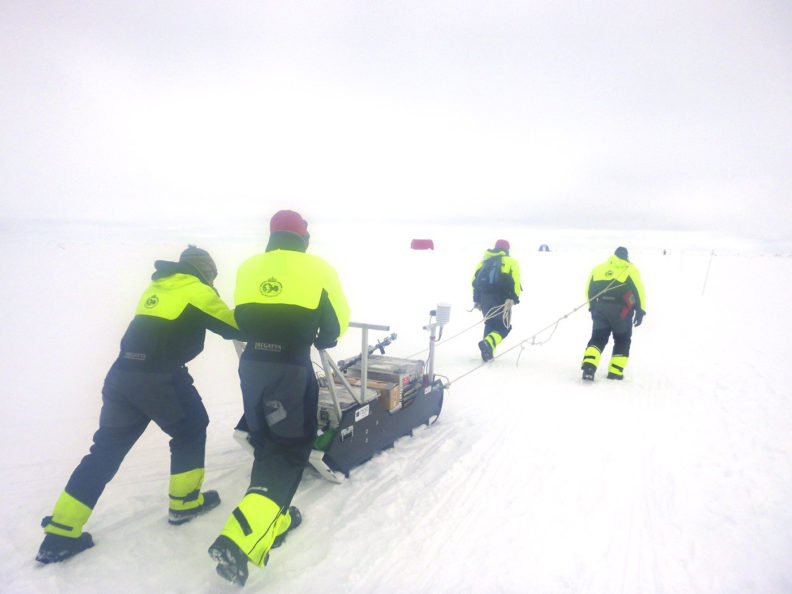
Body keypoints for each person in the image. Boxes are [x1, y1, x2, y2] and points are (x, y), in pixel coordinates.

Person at [35, 246, 244, 564]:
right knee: (190, 428)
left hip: (122, 376)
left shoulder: (157, 286)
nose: (214, 280)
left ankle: (60, 532)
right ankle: (185, 503)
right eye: (213, 274)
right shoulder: (197, 289)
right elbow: (234, 327)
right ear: (205, 271)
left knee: (105, 450)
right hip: (158, 375)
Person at [208, 210, 350, 586]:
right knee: (289, 452)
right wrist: (324, 338)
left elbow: (243, 318)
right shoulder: (318, 268)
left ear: (272, 236)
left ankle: (277, 519)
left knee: (266, 441)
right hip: (289, 368)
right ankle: (238, 540)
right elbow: (336, 323)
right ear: (303, 239)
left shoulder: (249, 266)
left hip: (252, 367)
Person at [581, 246, 646, 381]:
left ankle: (589, 368)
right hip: (621, 311)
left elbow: (589, 290)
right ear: (626, 256)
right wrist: (640, 310)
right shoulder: (630, 269)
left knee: (598, 338)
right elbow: (639, 291)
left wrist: (592, 307)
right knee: (622, 339)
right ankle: (615, 372)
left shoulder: (598, 268)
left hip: (600, 308)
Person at [472, 239, 521, 361]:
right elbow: (516, 281)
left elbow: (474, 281)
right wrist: (514, 298)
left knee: (490, 323)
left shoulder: (484, 262)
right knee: (504, 327)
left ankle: (488, 352)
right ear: (507, 249)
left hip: (484, 298)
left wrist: (477, 300)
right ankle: (488, 343)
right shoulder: (511, 261)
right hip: (502, 299)